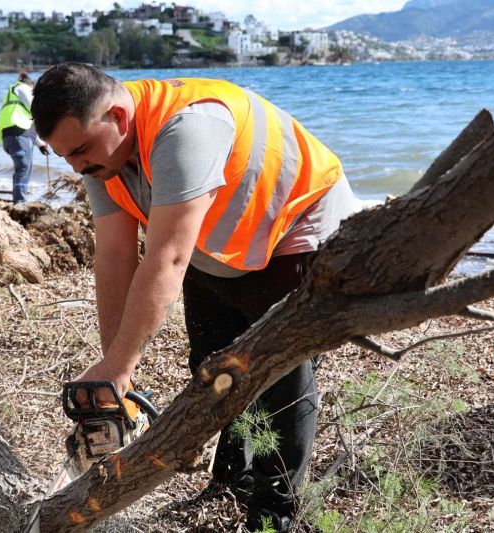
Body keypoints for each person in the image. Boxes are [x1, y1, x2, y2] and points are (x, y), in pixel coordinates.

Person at [31, 63, 362, 531]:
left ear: (119, 117)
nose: (76, 166)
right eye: (64, 156)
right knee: (212, 361)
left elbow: (165, 258)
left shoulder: (186, 129)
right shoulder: (99, 157)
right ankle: (230, 481)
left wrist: (120, 368)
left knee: (281, 374)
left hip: (295, 225)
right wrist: (114, 372)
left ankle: (277, 513)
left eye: (80, 151)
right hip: (223, 237)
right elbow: (115, 256)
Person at [0, 71, 49, 204]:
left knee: (22, 166)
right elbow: (34, 108)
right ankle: (20, 202)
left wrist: (40, 144)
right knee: (24, 167)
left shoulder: (14, 99)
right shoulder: (21, 87)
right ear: (31, 86)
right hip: (18, 134)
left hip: (11, 135)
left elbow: (28, 128)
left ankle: (19, 199)